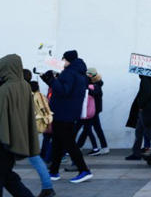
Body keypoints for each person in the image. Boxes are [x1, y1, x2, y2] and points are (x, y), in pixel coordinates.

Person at [40, 50, 92, 183]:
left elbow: (63, 91)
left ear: (68, 60)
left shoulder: (69, 72)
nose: (62, 62)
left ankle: (84, 170)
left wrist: (51, 80)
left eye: (63, 59)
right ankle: (54, 171)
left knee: (69, 143)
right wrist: (50, 80)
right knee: (57, 142)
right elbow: (65, 89)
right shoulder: (79, 73)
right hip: (68, 113)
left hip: (63, 113)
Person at [0, 55, 40, 197]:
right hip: (16, 138)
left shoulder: (5, 89)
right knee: (7, 176)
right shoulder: (24, 85)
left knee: (5, 176)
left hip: (3, 140)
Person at [22, 68, 54, 197]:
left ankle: (48, 187)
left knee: (34, 158)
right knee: (35, 158)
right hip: (31, 129)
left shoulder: (22, 93)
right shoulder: (34, 92)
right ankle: (48, 187)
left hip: (22, 130)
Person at [126, 73, 151, 161]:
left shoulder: (146, 79)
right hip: (149, 110)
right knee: (139, 131)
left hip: (147, 110)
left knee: (148, 132)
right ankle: (136, 153)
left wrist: (140, 106)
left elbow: (145, 94)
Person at [77, 67, 109, 156]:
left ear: (91, 75)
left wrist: (86, 88)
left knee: (87, 129)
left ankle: (79, 147)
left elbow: (94, 93)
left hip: (93, 110)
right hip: (92, 109)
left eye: (88, 74)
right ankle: (104, 147)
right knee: (93, 128)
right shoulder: (93, 82)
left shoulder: (96, 84)